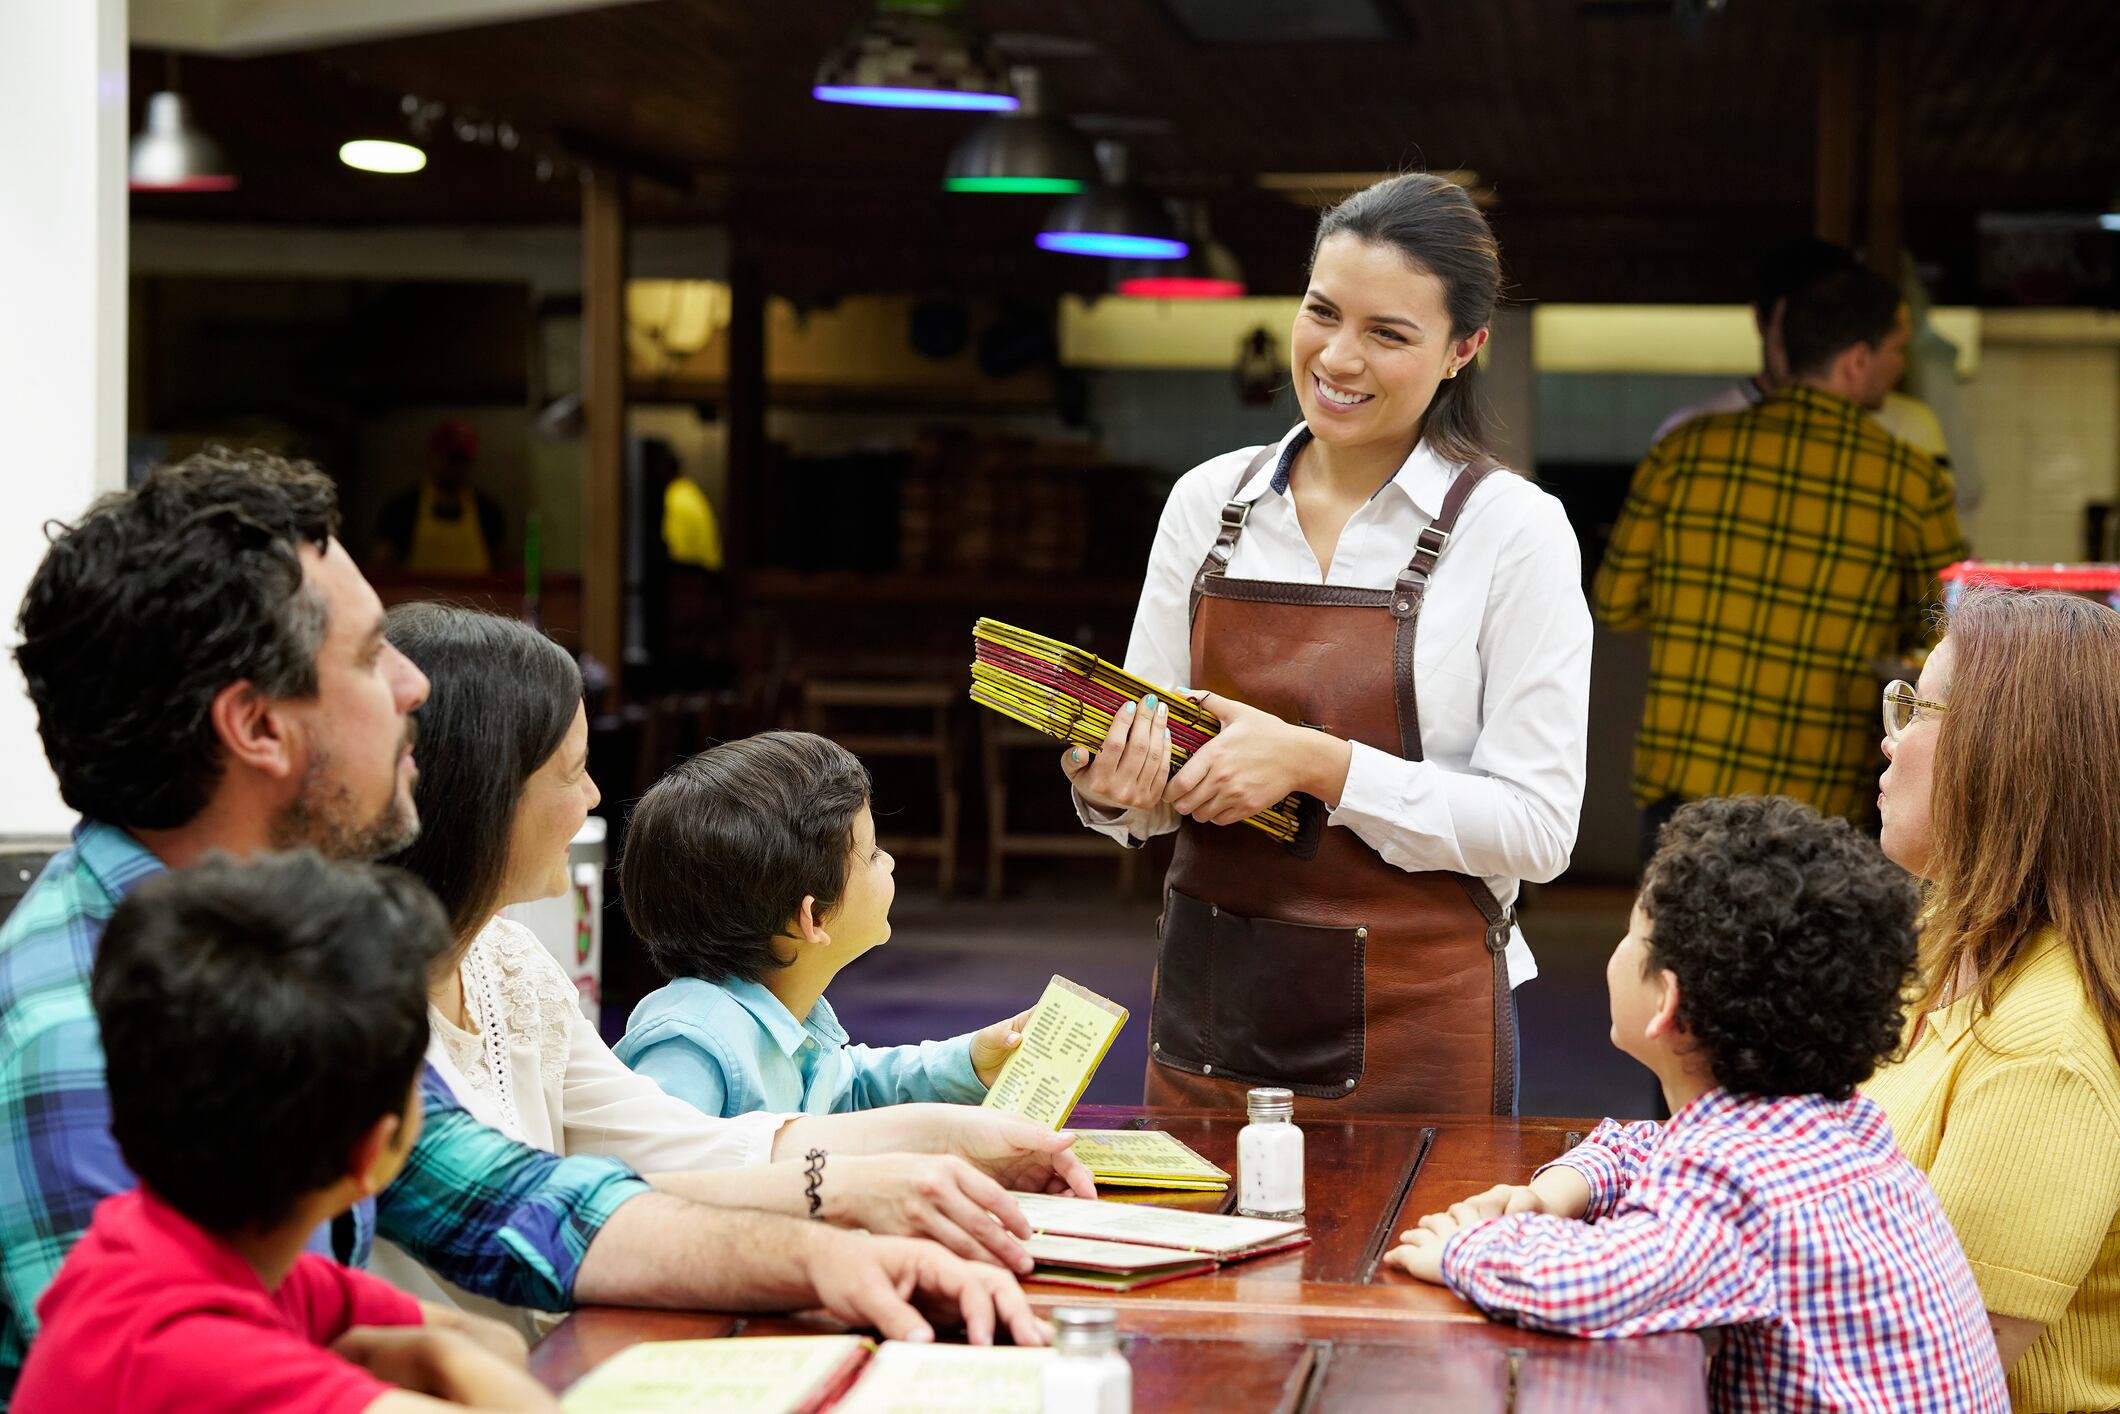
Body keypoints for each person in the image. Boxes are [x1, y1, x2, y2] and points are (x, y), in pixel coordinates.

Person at [0, 450, 1048, 1396]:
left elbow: (513, 1199)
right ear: (257, 725)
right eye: (369, 658)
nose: (413, 685)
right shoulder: (86, 1024)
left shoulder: (273, 947)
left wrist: (828, 1250)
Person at [1062, 172, 1590, 1116]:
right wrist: (1111, 793)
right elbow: (1145, 770)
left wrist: (1320, 766)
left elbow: (1540, 830)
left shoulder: (1515, 531)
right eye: (1322, 313)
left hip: (1420, 1025)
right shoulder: (1207, 504)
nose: (1339, 359)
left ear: (1464, 349)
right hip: (1210, 1014)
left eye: (1388, 334)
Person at [381, 605, 1085, 1282]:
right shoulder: (357, 1012)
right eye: (572, 772)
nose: (596, 796)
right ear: (482, 793)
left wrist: (943, 1141)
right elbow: (592, 1202)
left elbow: (692, 1147)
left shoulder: (513, 962)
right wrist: (843, 1213)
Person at [1383, 796, 2007, 1414]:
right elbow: (1653, 1142)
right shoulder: (1837, 1129)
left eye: (1633, 933)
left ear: (1667, 1003)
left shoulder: (1737, 1189)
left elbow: (1592, 1285)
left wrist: (1466, 1248)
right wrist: (1563, 1189)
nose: (1621, 949)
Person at [17, 853, 554, 1413]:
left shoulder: (151, 1251)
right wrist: (446, 1363)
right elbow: (495, 1366)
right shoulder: (202, 1361)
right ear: (373, 1151)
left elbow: (494, 1344)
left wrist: (449, 1357)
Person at [1593, 264, 1966, 856]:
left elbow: (1614, 603)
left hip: (1684, 785)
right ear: (1855, 362)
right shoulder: (1909, 480)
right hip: (1821, 799)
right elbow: (1956, 627)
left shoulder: (1684, 452)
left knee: (1671, 949)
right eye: (1896, 353)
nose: (1901, 370)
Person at [1865, 589, 2120, 1412]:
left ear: (2007, 753)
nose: (1889, 739)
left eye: (1917, 708)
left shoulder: (2044, 1048)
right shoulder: (1952, 942)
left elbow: (1917, 1365)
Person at [616, 732, 1037, 1120]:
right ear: (811, 917)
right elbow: (653, 1175)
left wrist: (969, 1062)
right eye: (872, 854)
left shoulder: (789, 1015)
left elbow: (850, 1091)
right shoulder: (691, 1045)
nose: (889, 861)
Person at [1648, 239, 1968, 504]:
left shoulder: (1910, 430)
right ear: (1762, 320)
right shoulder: (1687, 435)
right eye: (1801, 316)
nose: (1813, 330)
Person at [372, 419, 506, 575]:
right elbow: (381, 566)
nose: (456, 467)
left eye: (462, 459)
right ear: (432, 456)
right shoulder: (403, 508)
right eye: (450, 458)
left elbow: (501, 569)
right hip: (417, 597)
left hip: (475, 599)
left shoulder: (488, 511)